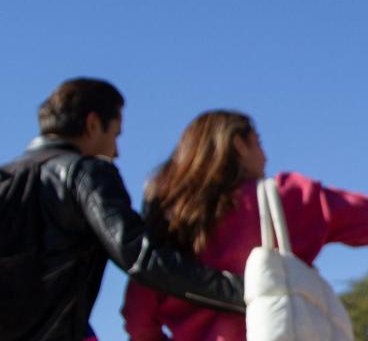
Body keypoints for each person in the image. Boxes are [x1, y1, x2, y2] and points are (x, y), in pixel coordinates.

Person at [2, 78, 245, 341]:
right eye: (115, 135)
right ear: (93, 124)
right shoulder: (85, 173)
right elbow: (141, 257)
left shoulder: (7, 178)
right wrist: (244, 292)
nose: (116, 152)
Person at [123, 110, 368, 340]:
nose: (265, 156)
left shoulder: (165, 227)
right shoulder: (281, 199)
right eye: (259, 143)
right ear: (239, 145)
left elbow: (138, 321)